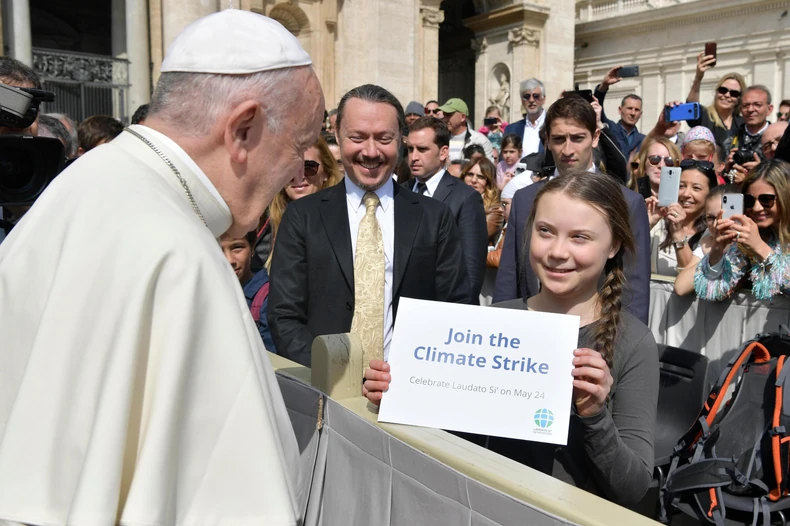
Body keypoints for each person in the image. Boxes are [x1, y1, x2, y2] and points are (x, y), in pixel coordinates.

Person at [0, 10, 324, 525]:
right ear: (243, 129)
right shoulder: (183, 258)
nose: (299, 168)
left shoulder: (81, 183)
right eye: (301, 144)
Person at [364, 171, 659, 507]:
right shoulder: (491, 323)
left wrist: (594, 413)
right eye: (545, 232)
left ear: (614, 245)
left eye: (580, 237)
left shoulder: (633, 342)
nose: (558, 251)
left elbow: (633, 486)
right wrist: (397, 394)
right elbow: (452, 441)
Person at [268, 84, 470, 368]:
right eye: (357, 137)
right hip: (325, 391)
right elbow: (284, 316)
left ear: (400, 140)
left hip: (407, 389)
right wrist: (332, 375)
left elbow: (456, 310)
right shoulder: (304, 217)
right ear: (338, 136)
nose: (371, 151)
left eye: (384, 138)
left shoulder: (434, 218)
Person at [493, 95, 651, 324]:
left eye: (577, 138)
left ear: (595, 137)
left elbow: (633, 287)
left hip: (597, 336)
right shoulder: (524, 199)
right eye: (558, 139)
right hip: (529, 330)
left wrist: (623, 351)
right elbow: (509, 277)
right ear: (546, 140)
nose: (567, 149)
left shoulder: (627, 203)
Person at [406, 116, 487, 303]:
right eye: (410, 149)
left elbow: (471, 271)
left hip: (445, 311)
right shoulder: (399, 192)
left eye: (423, 149)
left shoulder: (466, 198)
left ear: (443, 153)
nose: (414, 157)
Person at [695, 159, 790, 301]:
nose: (757, 208)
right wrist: (717, 251)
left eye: (766, 199)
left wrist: (760, 248)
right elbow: (713, 292)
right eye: (750, 200)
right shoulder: (748, 236)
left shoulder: (755, 240)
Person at [263, 135, 343, 268]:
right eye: (290, 169)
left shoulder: (344, 219)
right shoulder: (268, 221)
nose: (299, 177)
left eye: (309, 167)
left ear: (326, 173)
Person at [646, 159, 717, 276]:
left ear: (710, 193)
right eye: (681, 186)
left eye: (696, 188)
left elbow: (692, 279)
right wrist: (648, 223)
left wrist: (678, 234)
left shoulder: (712, 232)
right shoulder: (658, 224)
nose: (686, 194)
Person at [674, 184, 737, 296]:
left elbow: (722, 291)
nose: (716, 224)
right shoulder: (709, 235)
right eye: (710, 218)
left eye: (723, 217)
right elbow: (681, 287)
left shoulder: (745, 242)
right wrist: (712, 253)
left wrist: (715, 253)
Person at [220, 230, 277, 353]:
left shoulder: (267, 298)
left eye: (237, 247)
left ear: (252, 248)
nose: (229, 260)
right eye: (218, 250)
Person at [686, 55, 746, 147]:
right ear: (716, 92)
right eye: (723, 90)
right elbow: (691, 107)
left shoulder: (743, 123)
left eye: (734, 93)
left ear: (739, 99)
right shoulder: (704, 116)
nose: (727, 95)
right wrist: (698, 77)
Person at [594, 66, 645, 156]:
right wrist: (604, 85)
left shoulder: (643, 140)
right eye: (629, 108)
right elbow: (597, 106)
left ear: (640, 114)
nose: (633, 113)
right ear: (620, 110)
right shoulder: (609, 128)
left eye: (636, 110)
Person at [461, 158, 504, 245]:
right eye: (470, 174)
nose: (473, 180)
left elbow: (477, 236)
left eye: (480, 177)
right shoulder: (455, 199)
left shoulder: (495, 209)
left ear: (488, 181)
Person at [439, 97, 495, 162]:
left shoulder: (480, 141)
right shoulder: (440, 139)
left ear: (462, 117)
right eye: (444, 114)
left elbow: (488, 169)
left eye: (448, 115)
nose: (444, 119)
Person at [503, 78, 546, 157]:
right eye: (526, 96)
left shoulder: (553, 125)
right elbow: (504, 159)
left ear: (543, 99)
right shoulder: (511, 130)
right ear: (522, 100)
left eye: (536, 96)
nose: (531, 100)